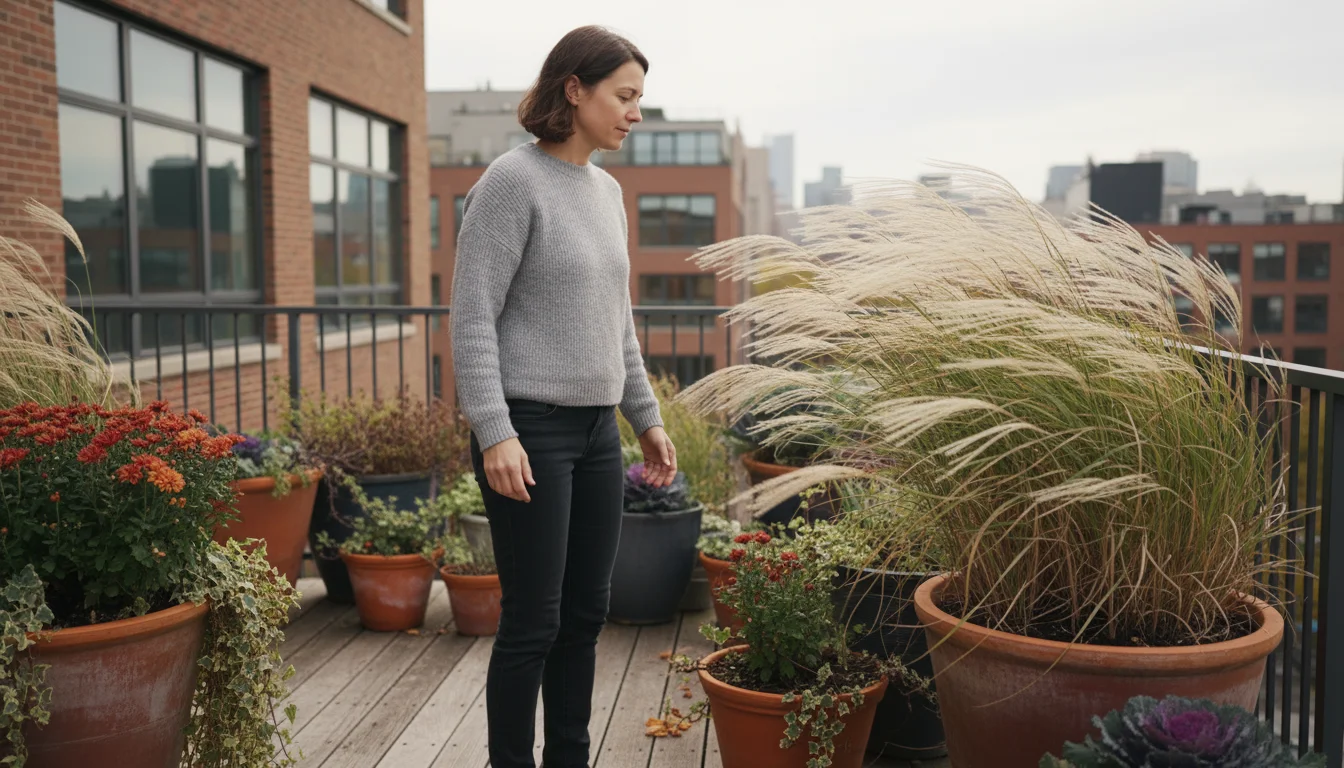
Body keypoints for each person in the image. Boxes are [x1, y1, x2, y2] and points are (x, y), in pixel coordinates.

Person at [449, 24, 678, 768]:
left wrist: (645, 419)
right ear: (573, 90)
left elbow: (618, 326)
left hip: (594, 437)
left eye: (640, 98)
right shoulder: (511, 182)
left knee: (585, 617)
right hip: (529, 432)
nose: (636, 113)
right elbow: (472, 315)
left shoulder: (607, 192)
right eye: (625, 95)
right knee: (533, 624)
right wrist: (494, 430)